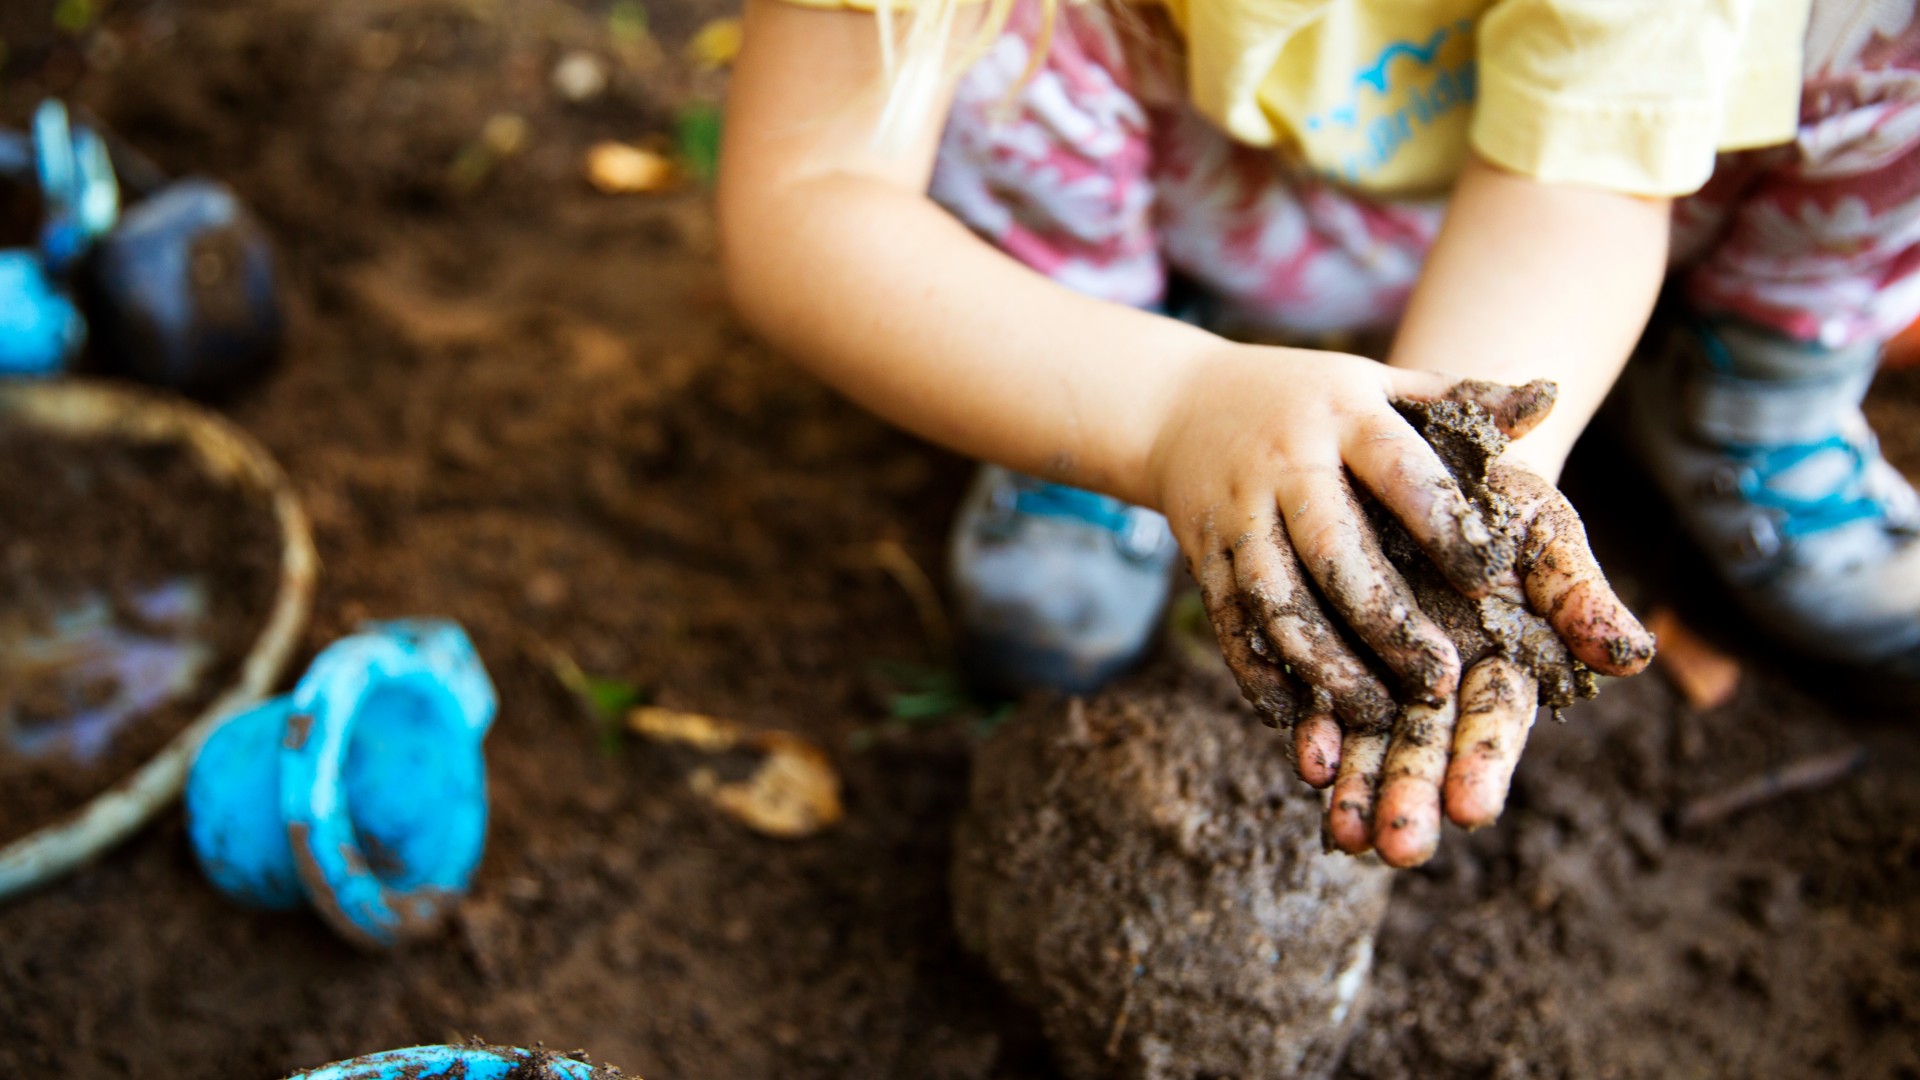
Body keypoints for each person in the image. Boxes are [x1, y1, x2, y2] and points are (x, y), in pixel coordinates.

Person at [717, 0, 1920, 867]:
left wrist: (1451, 481)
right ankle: (1086, 370)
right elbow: (812, 189)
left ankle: (1750, 376)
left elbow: (1591, 177)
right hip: (1204, 178)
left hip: (1598, 196)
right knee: (964, 40)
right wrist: (1169, 407)